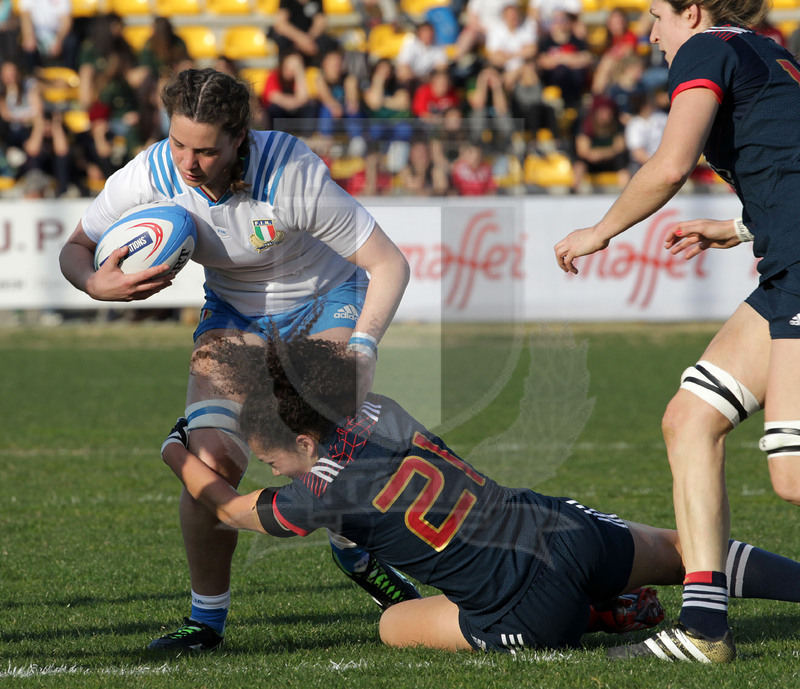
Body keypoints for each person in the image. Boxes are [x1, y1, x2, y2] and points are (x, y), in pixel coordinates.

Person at [58, 67, 413, 653]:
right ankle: (206, 621)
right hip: (233, 314)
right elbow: (76, 249)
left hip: (326, 301)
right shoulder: (147, 177)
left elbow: (389, 264)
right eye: (177, 143)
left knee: (317, 453)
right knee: (213, 461)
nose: (187, 164)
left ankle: (356, 551)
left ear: (239, 140)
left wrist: (363, 348)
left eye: (205, 150)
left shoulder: (292, 175)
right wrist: (95, 286)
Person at [161, 336, 800, 656]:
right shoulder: (379, 412)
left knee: (390, 625)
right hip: (554, 528)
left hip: (522, 609)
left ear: (302, 438)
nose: (270, 469)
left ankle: (601, 615)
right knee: (683, 547)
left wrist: (175, 449)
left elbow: (226, 508)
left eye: (271, 458)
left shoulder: (317, 498)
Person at [554, 0, 800, 662]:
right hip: (785, 265)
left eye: (658, 14)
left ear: (692, 10)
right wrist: (740, 227)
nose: (651, 31)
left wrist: (598, 230)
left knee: (792, 475)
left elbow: (669, 165)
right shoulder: (768, 49)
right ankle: (705, 628)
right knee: (690, 418)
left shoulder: (705, 49)